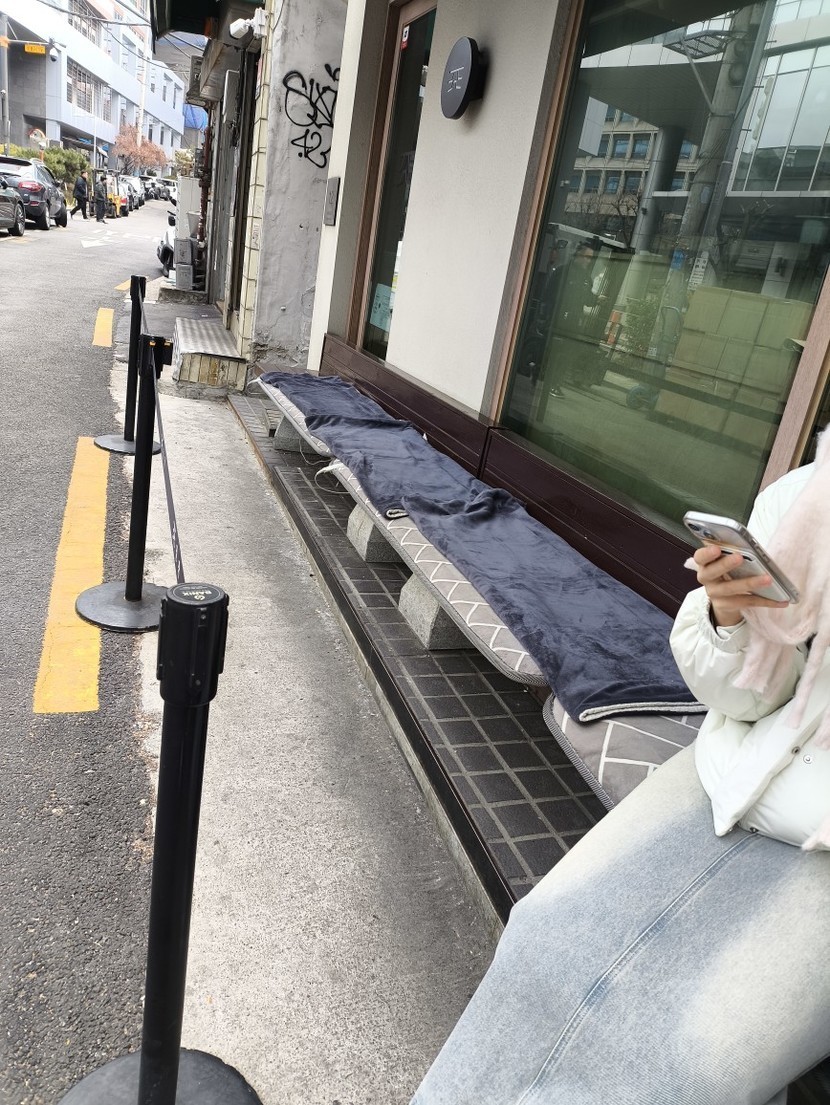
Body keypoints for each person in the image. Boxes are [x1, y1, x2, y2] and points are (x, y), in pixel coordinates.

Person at [410, 434, 830, 1105]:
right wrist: (728, 618)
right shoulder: (808, 494)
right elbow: (745, 698)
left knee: (694, 1069)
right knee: (540, 939)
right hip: (725, 773)